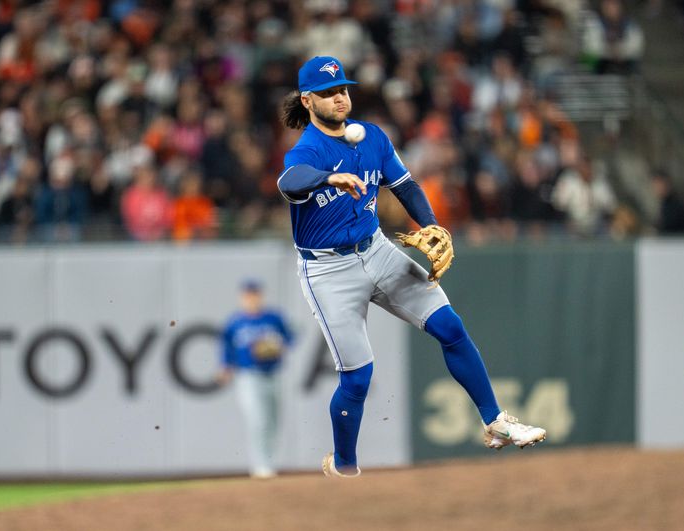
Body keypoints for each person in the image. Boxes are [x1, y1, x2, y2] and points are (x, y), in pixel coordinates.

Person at [277, 56, 546, 478]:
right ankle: (344, 466)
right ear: (309, 101)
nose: (340, 97)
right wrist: (329, 179)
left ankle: (495, 422)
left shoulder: (373, 138)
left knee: (451, 327)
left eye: (343, 89)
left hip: (378, 249)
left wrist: (433, 225)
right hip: (328, 270)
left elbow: (405, 186)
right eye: (328, 93)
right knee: (358, 379)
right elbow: (289, 182)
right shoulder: (307, 150)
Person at [217, 280, 293, 479]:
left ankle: (269, 463)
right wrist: (225, 368)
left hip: (273, 374)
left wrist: (279, 346)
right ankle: (260, 466)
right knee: (258, 420)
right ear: (242, 297)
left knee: (274, 421)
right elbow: (226, 348)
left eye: (255, 294)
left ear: (260, 295)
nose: (252, 298)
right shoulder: (235, 322)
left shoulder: (273, 318)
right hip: (248, 376)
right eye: (248, 295)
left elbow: (289, 338)